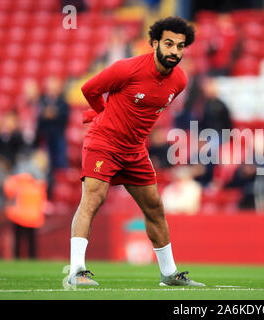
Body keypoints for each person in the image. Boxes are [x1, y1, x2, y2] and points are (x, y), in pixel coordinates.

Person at [69, 17, 204, 287]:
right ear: (154, 43)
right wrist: (102, 114)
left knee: (155, 208)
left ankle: (169, 274)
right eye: (168, 44)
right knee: (94, 198)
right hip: (104, 142)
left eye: (180, 46)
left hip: (134, 150)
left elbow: (143, 110)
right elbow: (89, 89)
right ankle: (77, 271)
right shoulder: (126, 68)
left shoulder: (179, 81)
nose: (174, 51)